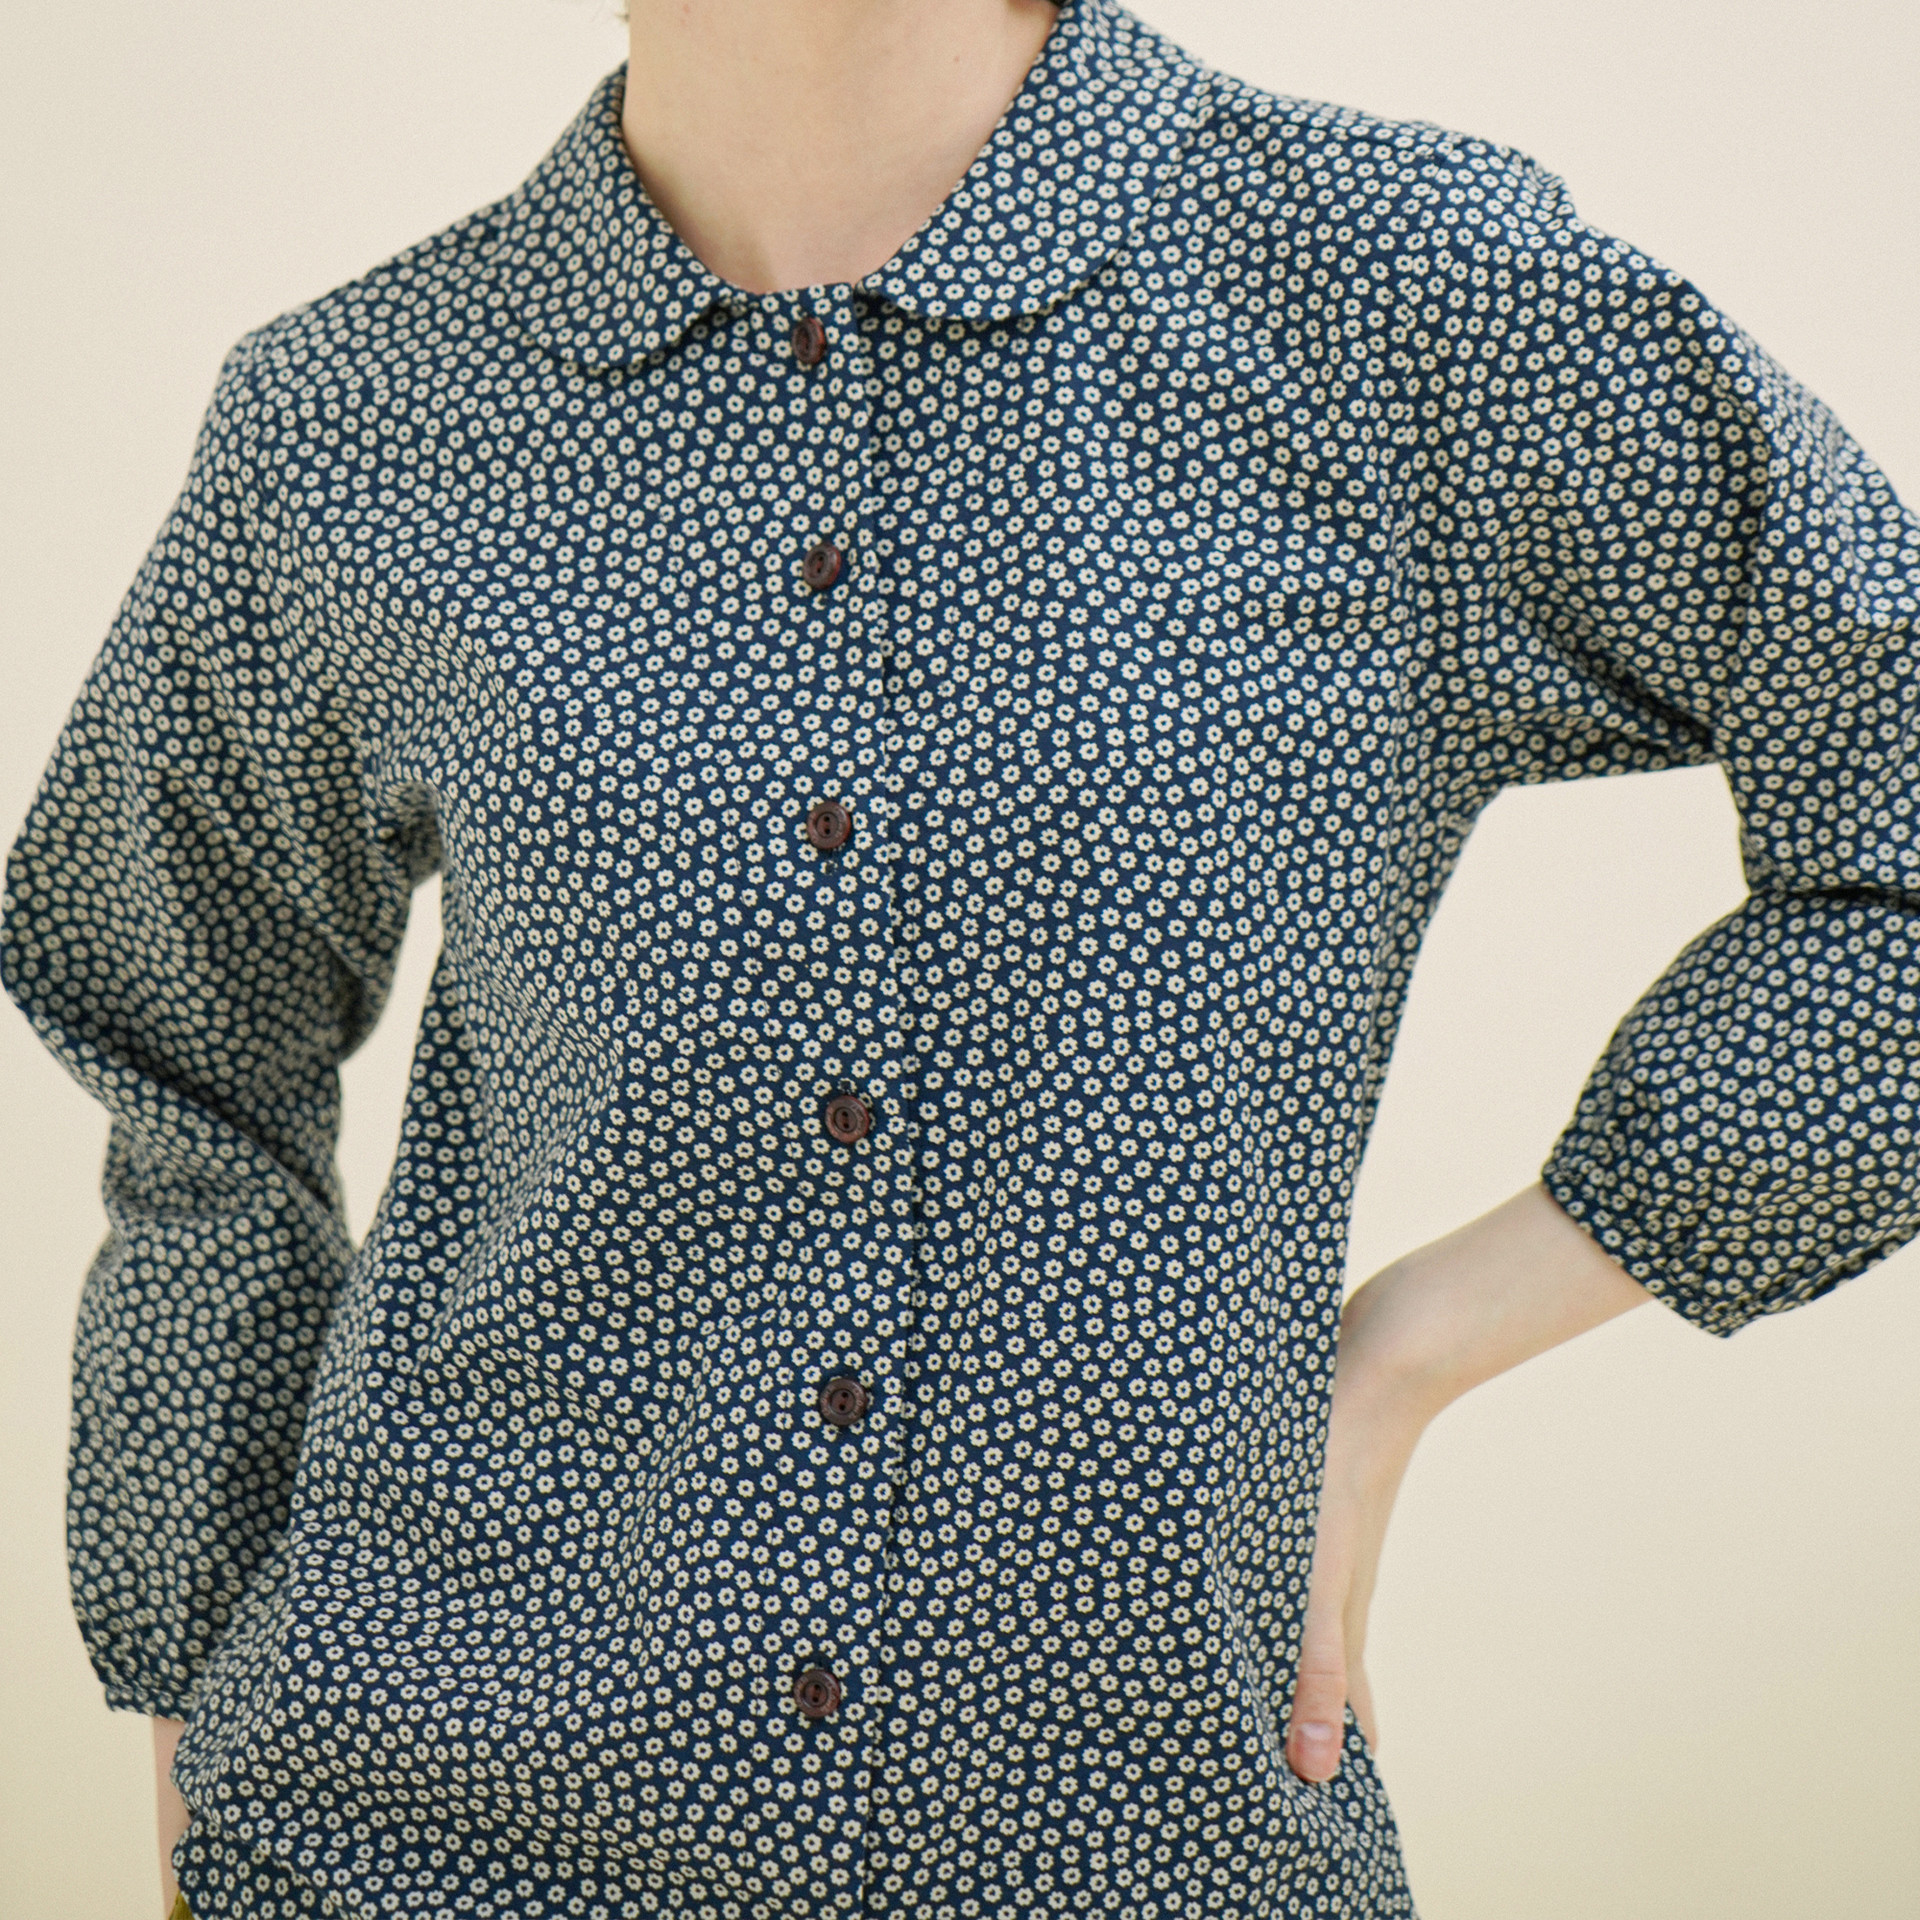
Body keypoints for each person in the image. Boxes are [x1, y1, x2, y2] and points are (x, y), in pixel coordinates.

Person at [6, 0, 1915, 1912]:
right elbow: (179, 1051)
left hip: (1153, 1843)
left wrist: (1412, 1351)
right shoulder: (357, 415)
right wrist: (191, 1735)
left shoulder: (1393, 301)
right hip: (410, 1833)